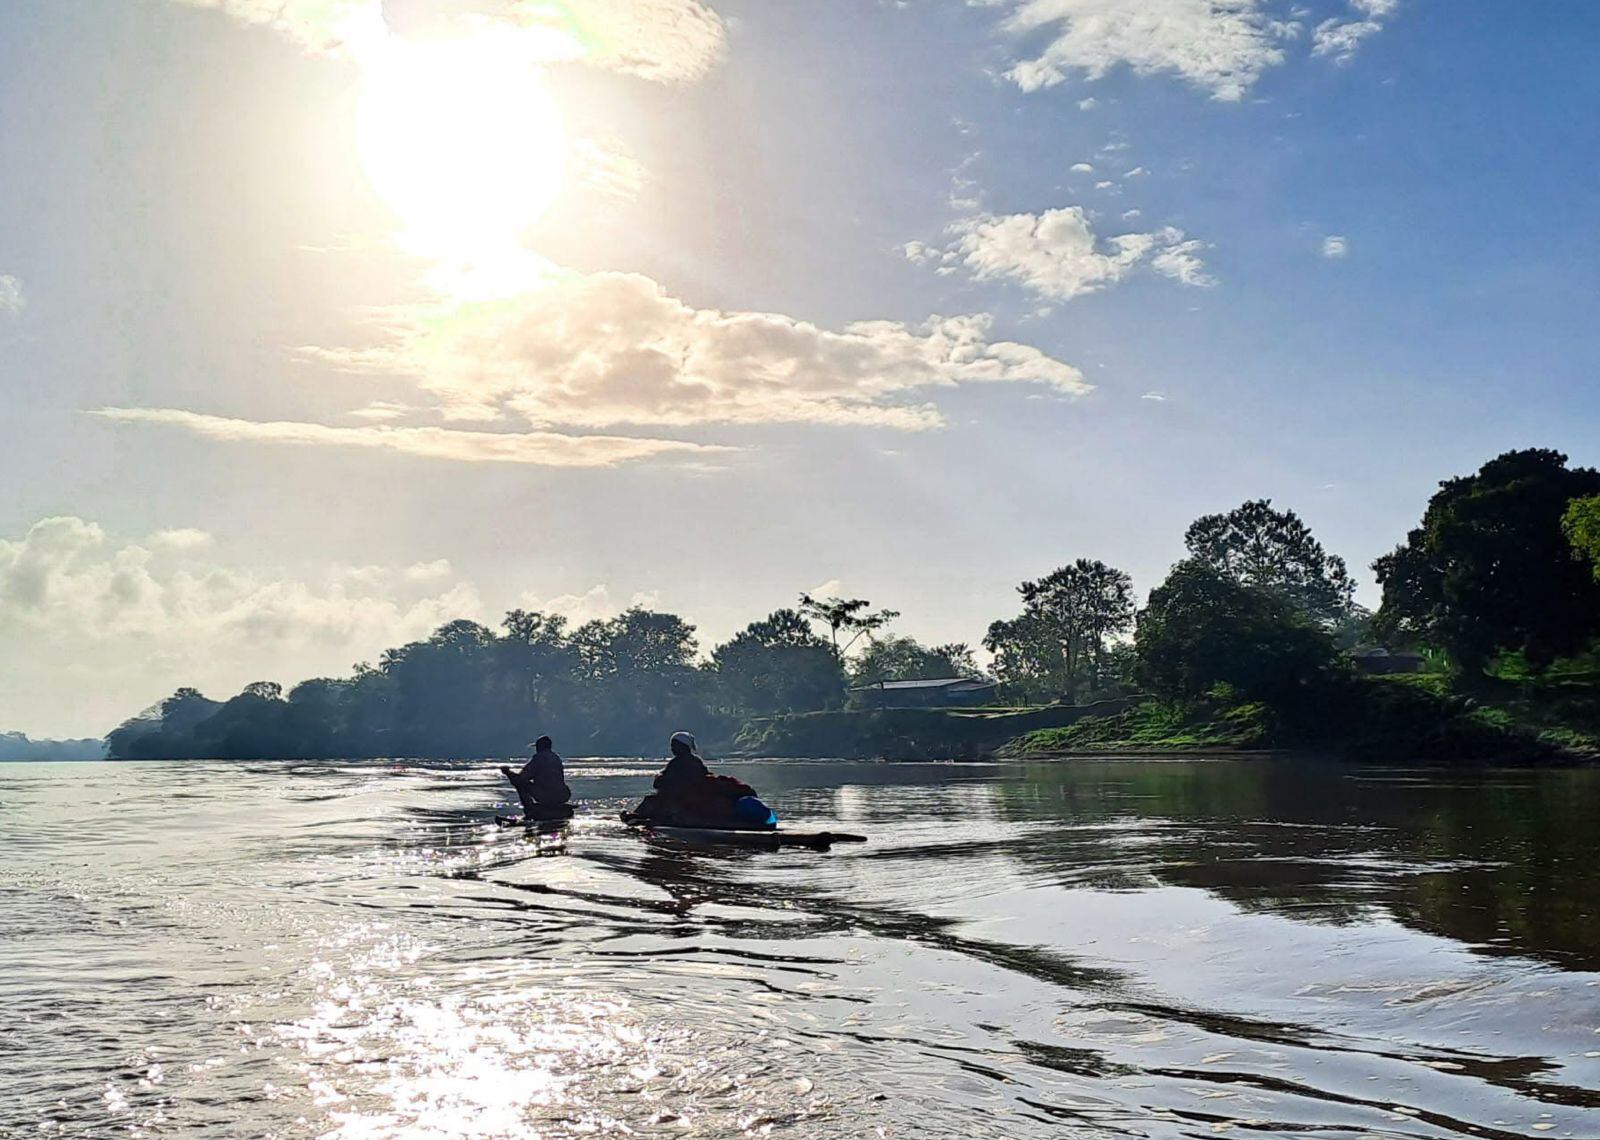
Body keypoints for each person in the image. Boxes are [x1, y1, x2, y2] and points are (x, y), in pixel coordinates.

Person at [632, 731, 776, 828]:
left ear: (683, 747)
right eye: (672, 745)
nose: (672, 748)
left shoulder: (677, 763)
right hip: (691, 797)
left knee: (650, 801)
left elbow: (658, 784)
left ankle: (634, 818)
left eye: (674, 745)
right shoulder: (696, 761)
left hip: (684, 801)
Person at [500, 735, 571, 817]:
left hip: (548, 795)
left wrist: (508, 773)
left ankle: (529, 810)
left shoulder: (538, 758)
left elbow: (521, 778)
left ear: (539, 747)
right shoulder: (556, 757)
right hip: (562, 795)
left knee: (521, 784)